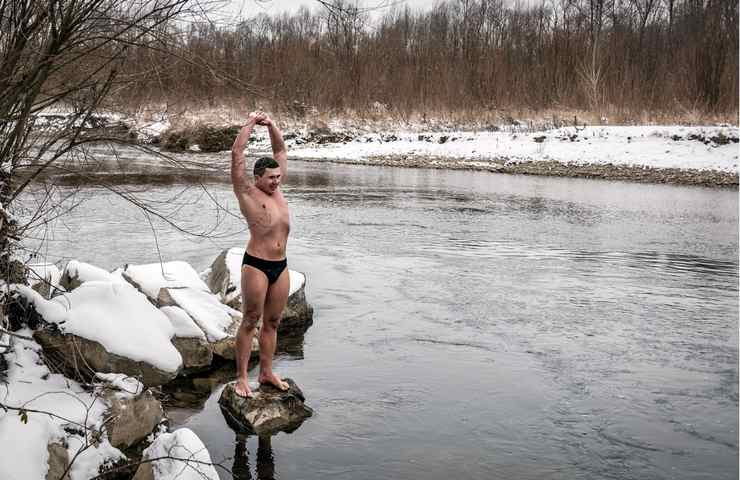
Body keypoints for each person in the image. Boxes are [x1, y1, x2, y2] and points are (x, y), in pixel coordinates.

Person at [231, 110, 290, 398]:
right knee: (251, 319)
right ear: (257, 178)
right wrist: (250, 124)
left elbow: (280, 149)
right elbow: (237, 153)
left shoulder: (278, 191)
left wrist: (272, 124)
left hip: (281, 266)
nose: (277, 182)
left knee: (273, 322)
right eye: (270, 178)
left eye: (278, 177)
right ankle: (242, 378)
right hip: (256, 264)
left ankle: (266, 372)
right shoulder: (246, 192)